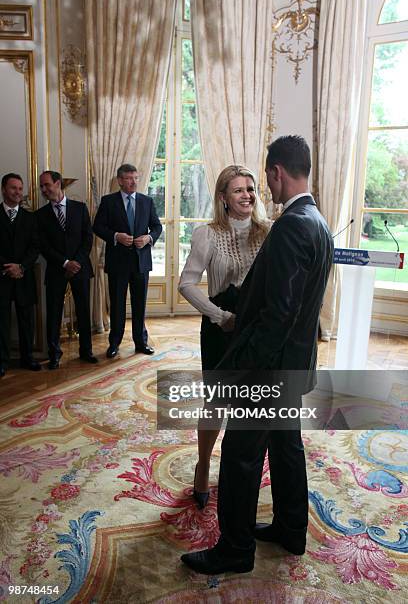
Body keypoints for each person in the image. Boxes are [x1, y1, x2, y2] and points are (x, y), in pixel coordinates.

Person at [181, 135, 334, 574]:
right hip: (294, 365)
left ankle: (235, 549)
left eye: (264, 180)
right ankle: (290, 528)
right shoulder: (316, 220)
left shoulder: (289, 225)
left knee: (241, 454)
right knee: (286, 447)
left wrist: (241, 367)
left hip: (267, 368)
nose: (261, 190)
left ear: (276, 173)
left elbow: (278, 315)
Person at [178, 165, 269, 508]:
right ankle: (203, 465)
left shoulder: (269, 231)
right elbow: (186, 284)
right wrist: (220, 317)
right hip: (220, 326)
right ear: (223, 198)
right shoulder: (208, 234)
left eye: (250, 188)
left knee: (252, 404)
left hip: (255, 328)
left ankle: (239, 471)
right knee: (216, 402)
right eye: (238, 190)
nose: (247, 195)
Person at [93, 164, 162, 358]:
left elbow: (156, 226)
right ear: (120, 181)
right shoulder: (108, 201)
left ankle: (141, 342)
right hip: (118, 263)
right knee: (117, 304)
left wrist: (148, 238)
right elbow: (97, 227)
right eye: (129, 178)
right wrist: (116, 236)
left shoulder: (146, 201)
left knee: (140, 304)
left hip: (141, 262)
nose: (134, 182)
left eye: (136, 178)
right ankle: (114, 343)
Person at [37, 171, 97, 369]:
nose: (44, 190)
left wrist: (76, 262)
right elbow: (43, 246)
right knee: (54, 313)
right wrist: (65, 263)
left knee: (83, 310)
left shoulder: (80, 208)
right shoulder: (41, 215)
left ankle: (86, 351)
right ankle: (54, 354)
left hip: (80, 268)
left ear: (58, 183)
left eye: (47, 185)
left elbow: (88, 238)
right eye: (42, 187)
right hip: (56, 269)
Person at [0, 173, 41, 376]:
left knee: (27, 320)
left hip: (24, 276)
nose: (17, 192)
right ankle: (2, 361)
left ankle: (27, 358)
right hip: (2, 276)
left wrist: (21, 267)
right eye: (13, 188)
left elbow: (35, 248)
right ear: (3, 190)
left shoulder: (30, 218)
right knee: (2, 321)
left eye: (20, 188)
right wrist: (9, 267)